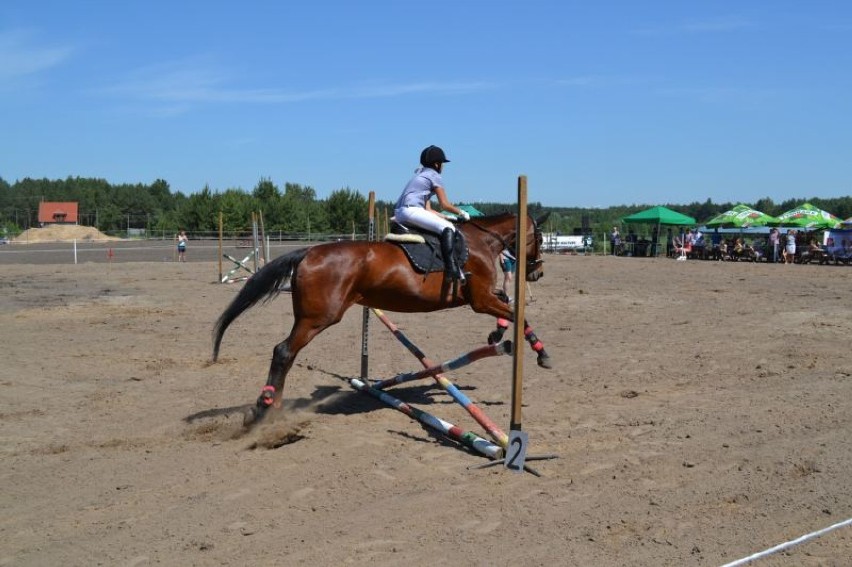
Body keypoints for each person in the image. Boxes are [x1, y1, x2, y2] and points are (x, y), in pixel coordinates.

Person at [394, 145, 470, 281]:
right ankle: (451, 269)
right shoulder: (434, 175)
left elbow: (428, 210)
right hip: (411, 211)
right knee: (448, 228)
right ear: (437, 164)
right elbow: (444, 204)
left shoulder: (421, 175)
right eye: (442, 164)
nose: (443, 167)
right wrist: (461, 212)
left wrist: (448, 217)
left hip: (402, 212)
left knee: (446, 223)